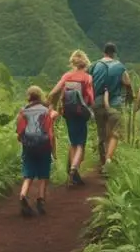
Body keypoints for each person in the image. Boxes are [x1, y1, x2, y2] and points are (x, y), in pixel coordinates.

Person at [47, 50, 95, 186]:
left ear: (73, 62)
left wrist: (51, 106)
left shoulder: (67, 76)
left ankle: (73, 174)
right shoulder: (87, 78)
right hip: (81, 113)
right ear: (85, 63)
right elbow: (90, 98)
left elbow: (53, 92)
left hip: (68, 113)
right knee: (80, 143)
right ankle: (74, 168)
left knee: (73, 141)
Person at [16, 86, 58, 217]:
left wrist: (26, 143)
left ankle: (23, 195)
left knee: (28, 174)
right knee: (43, 174)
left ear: (28, 96)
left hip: (28, 146)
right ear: (41, 96)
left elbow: (19, 133)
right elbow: (51, 133)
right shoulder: (46, 112)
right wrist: (54, 151)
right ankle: (40, 200)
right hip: (44, 146)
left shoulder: (23, 112)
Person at [89, 42, 131, 167]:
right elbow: (127, 82)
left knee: (101, 132)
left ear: (104, 52)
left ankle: (102, 159)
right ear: (114, 53)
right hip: (115, 104)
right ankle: (108, 160)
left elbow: (88, 83)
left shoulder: (95, 65)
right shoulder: (120, 66)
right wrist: (129, 96)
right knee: (114, 132)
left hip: (97, 103)